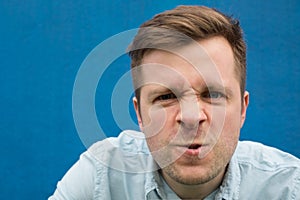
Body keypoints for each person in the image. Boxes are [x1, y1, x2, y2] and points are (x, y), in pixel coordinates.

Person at [49, 5, 300, 200]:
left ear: (243, 109)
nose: (191, 118)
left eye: (212, 95)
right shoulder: (100, 178)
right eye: (166, 97)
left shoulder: (289, 188)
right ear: (139, 113)